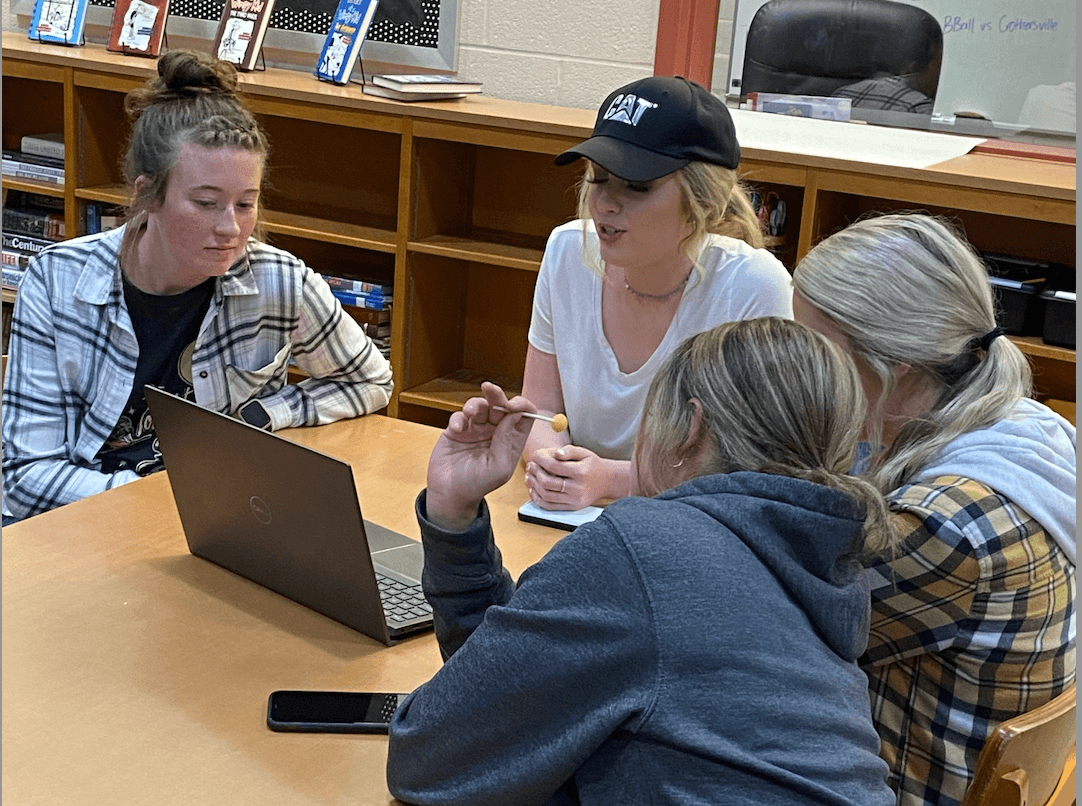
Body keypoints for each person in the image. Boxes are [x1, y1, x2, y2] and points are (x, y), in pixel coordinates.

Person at [387, 318, 896, 806]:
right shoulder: (822, 561)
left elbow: (428, 755)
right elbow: (506, 703)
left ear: (690, 428)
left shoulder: (644, 548)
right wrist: (454, 512)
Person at [1, 50, 393, 523]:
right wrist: (162, 497)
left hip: (211, 520)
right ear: (148, 194)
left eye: (245, 204)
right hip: (91, 521)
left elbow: (370, 380)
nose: (231, 228)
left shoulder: (279, 281)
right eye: (207, 203)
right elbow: (24, 478)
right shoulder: (57, 281)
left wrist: (268, 416)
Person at [790, 213, 1076, 806]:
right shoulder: (1031, 430)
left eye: (817, 349)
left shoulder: (947, 524)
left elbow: (780, 629)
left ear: (896, 362)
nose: (807, 373)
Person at [521, 75, 792, 512]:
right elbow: (538, 409)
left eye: (637, 186)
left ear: (700, 201)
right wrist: (549, 463)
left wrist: (611, 480)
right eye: (599, 178)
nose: (605, 203)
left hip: (695, 526)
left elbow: (753, 467)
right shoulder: (566, 250)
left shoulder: (755, 285)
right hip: (577, 518)